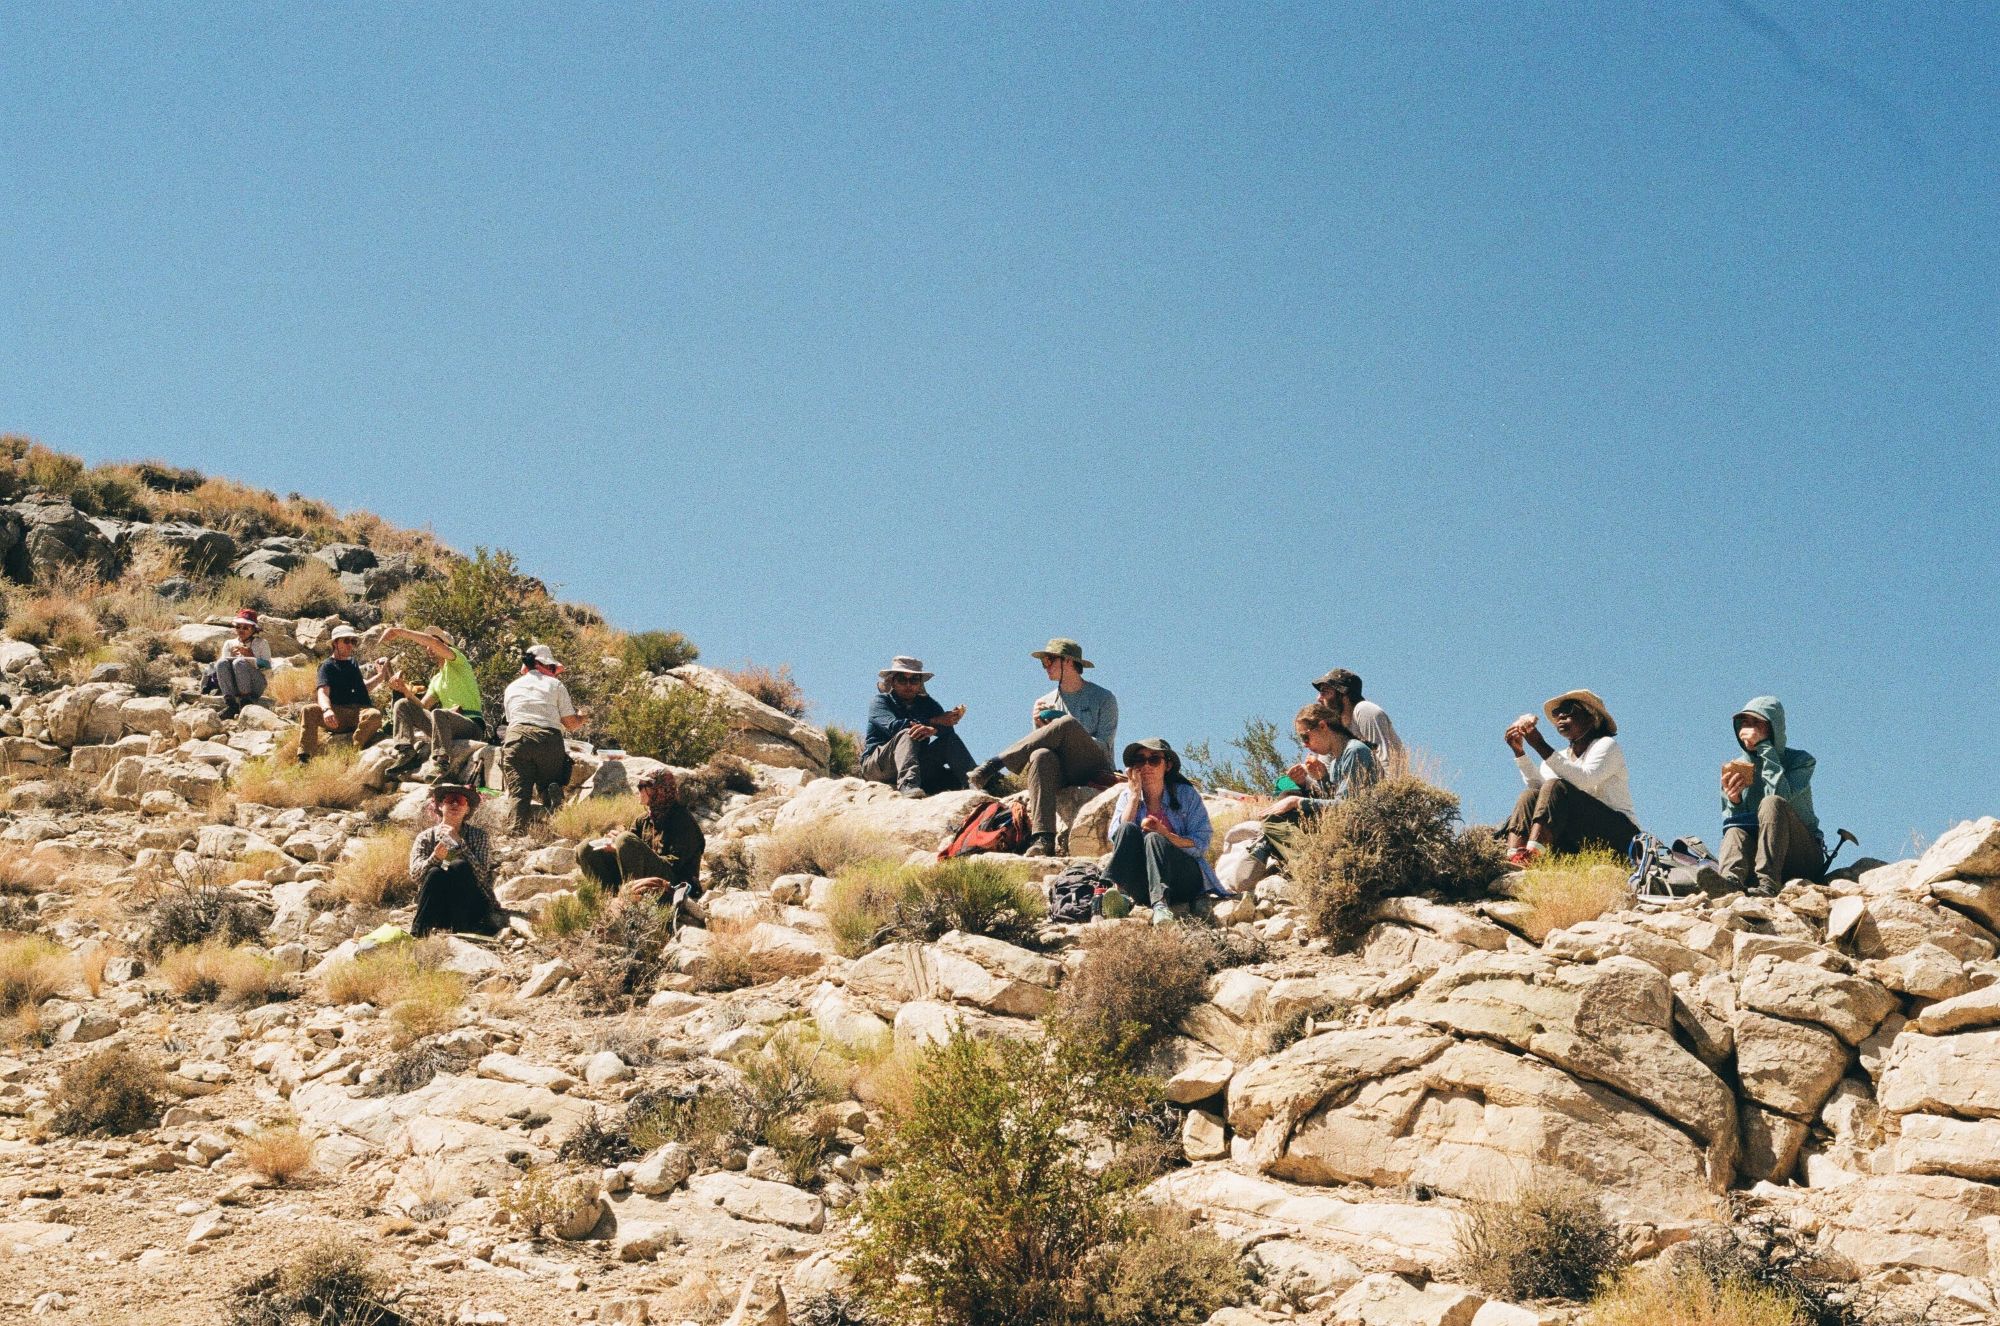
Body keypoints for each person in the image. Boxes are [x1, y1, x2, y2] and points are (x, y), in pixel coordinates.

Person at [965, 637, 1119, 857]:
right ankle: (1043, 838)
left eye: (1049, 660)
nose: (1045, 667)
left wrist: (1070, 729)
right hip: (1061, 770)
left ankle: (995, 763)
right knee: (1039, 755)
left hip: (1093, 767)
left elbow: (1104, 746)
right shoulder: (1045, 700)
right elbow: (1034, 746)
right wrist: (1038, 727)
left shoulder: (1103, 698)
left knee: (1065, 723)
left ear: (1067, 661)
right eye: (1043, 662)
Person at [1502, 689, 1638, 864]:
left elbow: (1584, 779)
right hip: (1578, 835)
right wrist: (1520, 753)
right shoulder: (1559, 758)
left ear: (1592, 718)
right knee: (1529, 796)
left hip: (1620, 837)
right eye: (1557, 713)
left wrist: (1540, 745)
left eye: (1569, 710)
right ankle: (1515, 858)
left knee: (1556, 786)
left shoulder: (1607, 746)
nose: (1560, 716)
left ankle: (1533, 856)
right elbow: (1541, 793)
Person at [1104, 737, 1226, 925]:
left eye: (1154, 760)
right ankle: (1120, 896)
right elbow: (1117, 837)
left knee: (1154, 838)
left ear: (1167, 766)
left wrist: (1166, 835)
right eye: (1140, 760)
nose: (1146, 766)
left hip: (1184, 880)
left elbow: (1201, 842)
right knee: (1127, 827)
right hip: (1145, 882)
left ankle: (1161, 906)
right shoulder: (1128, 796)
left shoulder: (1186, 795)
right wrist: (1135, 796)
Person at [1248, 702, 1380, 866]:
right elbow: (1336, 799)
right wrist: (1320, 779)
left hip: (1364, 831)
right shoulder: (1336, 761)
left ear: (1323, 726)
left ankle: (1310, 864)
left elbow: (1348, 807)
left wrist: (1298, 802)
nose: (1304, 744)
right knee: (1286, 799)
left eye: (1305, 736)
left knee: (1277, 817)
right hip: (1346, 825)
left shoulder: (1355, 751)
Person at [1719, 696, 1823, 897]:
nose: (1749, 729)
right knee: (1734, 831)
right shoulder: (1737, 767)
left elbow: (1780, 796)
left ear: (1773, 727)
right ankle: (1729, 884)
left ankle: (1768, 883)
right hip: (1756, 855)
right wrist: (1735, 801)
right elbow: (1735, 826)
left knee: (1772, 802)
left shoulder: (1801, 761)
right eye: (1745, 723)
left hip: (1801, 856)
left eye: (1757, 723)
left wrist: (1765, 747)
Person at [578, 767, 706, 911]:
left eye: (642, 787)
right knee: (586, 847)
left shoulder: (682, 820)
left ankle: (632, 905)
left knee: (625, 840)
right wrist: (614, 845)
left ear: (658, 791)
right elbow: (630, 852)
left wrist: (621, 844)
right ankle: (609, 900)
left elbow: (675, 865)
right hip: (644, 878)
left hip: (675, 883)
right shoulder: (643, 820)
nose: (638, 790)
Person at [858, 656, 976, 798]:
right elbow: (894, 727)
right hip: (878, 767)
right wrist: (933, 721)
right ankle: (908, 786)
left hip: (917, 764)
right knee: (908, 733)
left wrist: (935, 728)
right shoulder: (881, 702)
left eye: (914, 680)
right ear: (893, 682)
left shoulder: (928, 704)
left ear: (920, 683)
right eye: (902, 680)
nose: (908, 685)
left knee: (951, 740)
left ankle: (976, 783)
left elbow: (946, 732)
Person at [380, 625, 485, 778]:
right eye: (427, 643)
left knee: (439, 713)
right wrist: (404, 690)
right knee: (402, 705)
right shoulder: (436, 679)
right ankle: (406, 753)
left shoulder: (458, 661)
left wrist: (400, 632)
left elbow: (435, 644)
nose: (429, 646)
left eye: (433, 641)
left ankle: (441, 762)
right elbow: (422, 707)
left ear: (446, 645)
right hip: (445, 725)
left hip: (471, 725)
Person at [501, 643, 585, 828]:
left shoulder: (511, 687)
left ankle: (516, 832)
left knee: (518, 792)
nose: (555, 672)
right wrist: (583, 716)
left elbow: (512, 719)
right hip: (548, 738)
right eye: (553, 668)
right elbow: (570, 724)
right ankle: (555, 818)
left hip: (516, 738)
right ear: (544, 665)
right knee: (551, 783)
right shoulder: (555, 685)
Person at [407, 783, 503, 937]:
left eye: (461, 801)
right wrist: (435, 858)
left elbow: (481, 875)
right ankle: (418, 932)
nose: (455, 804)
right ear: (440, 805)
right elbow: (416, 876)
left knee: (460, 865)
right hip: (439, 907)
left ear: (467, 809)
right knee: (435, 872)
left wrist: (460, 845)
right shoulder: (425, 837)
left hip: (472, 906)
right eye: (450, 799)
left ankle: (462, 931)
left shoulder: (479, 836)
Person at [300, 624, 384, 760]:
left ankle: (353, 750)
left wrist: (380, 677)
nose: (350, 645)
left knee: (374, 715)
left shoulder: (353, 663)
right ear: (335, 643)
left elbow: (363, 689)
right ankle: (305, 756)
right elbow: (323, 692)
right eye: (346, 641)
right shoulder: (327, 666)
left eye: (353, 641)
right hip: (338, 715)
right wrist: (327, 710)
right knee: (308, 710)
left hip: (358, 712)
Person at [1312, 668, 1405, 775]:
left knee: (1355, 749)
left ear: (1344, 695)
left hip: (1380, 786)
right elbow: (1327, 776)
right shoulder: (1333, 729)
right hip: (1349, 789)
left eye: (1325, 692)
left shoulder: (1364, 710)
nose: (1319, 698)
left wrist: (1390, 791)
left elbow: (1387, 761)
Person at [208, 609, 271, 718]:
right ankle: (231, 705)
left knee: (239, 662)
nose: (241, 630)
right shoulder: (229, 643)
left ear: (253, 629)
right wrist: (231, 657)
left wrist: (251, 655)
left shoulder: (262, 643)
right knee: (221, 663)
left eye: (245, 627)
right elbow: (223, 669)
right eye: (238, 627)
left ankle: (246, 702)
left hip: (255, 685)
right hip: (234, 685)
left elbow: (267, 666)